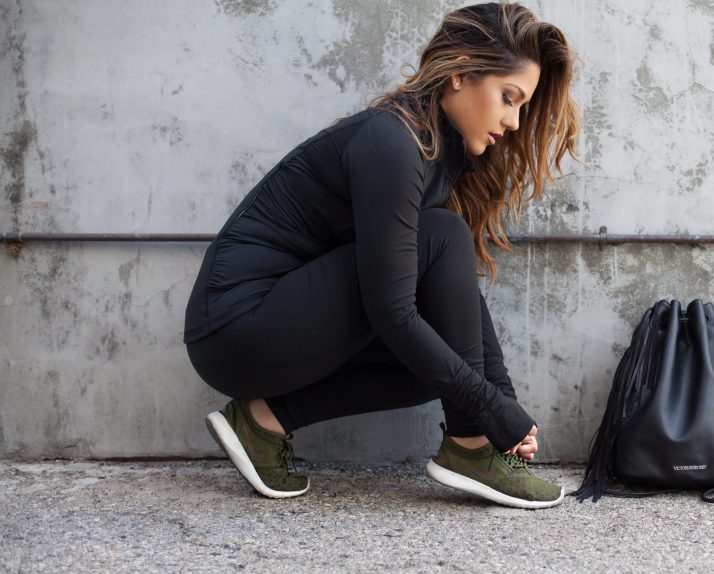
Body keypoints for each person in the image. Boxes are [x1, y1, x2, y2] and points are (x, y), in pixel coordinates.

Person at [182, 2, 581, 509]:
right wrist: (487, 409)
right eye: (509, 98)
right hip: (235, 324)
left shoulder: (432, 152)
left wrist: (501, 403)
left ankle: (263, 423)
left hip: (266, 327)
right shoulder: (392, 143)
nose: (514, 121)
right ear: (461, 72)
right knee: (443, 237)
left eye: (522, 107)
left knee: (435, 354)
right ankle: (469, 449)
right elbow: (392, 313)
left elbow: (462, 305)